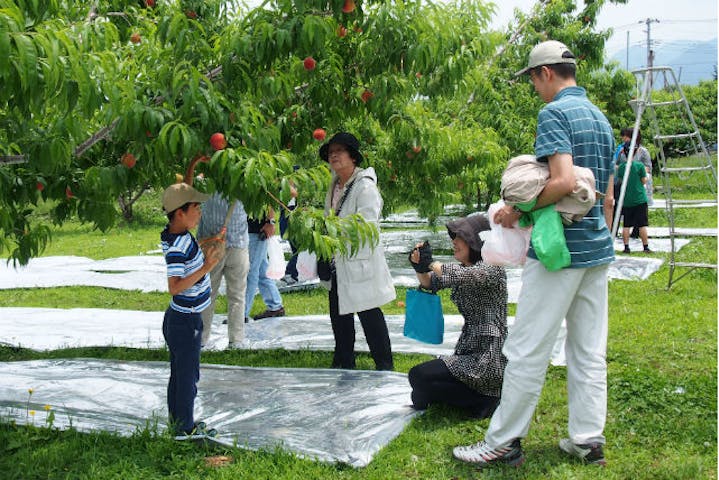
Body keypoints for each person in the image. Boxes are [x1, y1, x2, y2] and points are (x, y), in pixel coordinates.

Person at [453, 40, 615, 467]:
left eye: (533, 80)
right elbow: (607, 194)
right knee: (588, 350)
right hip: (597, 248)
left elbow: (561, 181)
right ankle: (587, 439)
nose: (535, 90)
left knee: (526, 349)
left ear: (545, 73)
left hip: (559, 252)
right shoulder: (600, 118)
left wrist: (517, 209)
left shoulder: (555, 113)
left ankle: (504, 442)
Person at [407, 214, 508, 418]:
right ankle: (480, 398)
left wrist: (431, 263)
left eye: (459, 237)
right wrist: (420, 266)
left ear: (475, 242)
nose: (454, 242)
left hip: (487, 355)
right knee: (420, 391)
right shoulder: (464, 268)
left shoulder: (492, 269)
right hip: (468, 349)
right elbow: (431, 283)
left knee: (418, 377)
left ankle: (484, 398)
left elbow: (457, 275)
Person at [320, 132, 395, 370]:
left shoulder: (364, 187)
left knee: (368, 312)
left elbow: (367, 224)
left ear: (353, 157)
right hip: (337, 261)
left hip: (358, 261)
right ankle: (343, 359)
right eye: (331, 152)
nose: (334, 156)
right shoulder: (334, 185)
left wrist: (337, 230)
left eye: (339, 151)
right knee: (339, 313)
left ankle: (384, 365)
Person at [159, 182, 220, 440]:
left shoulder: (179, 235)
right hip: (185, 322)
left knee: (180, 373)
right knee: (187, 377)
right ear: (181, 213)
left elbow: (188, 256)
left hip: (182, 319)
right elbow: (175, 287)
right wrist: (206, 267)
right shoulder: (177, 246)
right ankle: (184, 429)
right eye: (196, 207)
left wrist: (207, 243)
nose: (200, 212)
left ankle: (178, 422)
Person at [197, 193, 250, 348]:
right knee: (237, 296)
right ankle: (236, 340)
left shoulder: (206, 187)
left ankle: (200, 339)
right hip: (238, 244)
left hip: (212, 247)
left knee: (207, 294)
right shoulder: (243, 184)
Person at [616, 132, 652, 254]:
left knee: (626, 225)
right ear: (636, 152)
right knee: (642, 224)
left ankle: (626, 247)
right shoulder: (639, 166)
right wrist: (646, 177)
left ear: (623, 152)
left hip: (626, 199)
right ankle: (645, 247)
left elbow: (620, 179)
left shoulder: (621, 167)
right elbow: (643, 180)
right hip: (640, 199)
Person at [246, 212, 286, 320]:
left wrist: (270, 222)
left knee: (250, 272)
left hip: (256, 229)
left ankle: (241, 313)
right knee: (261, 270)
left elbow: (271, 197)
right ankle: (275, 306)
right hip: (250, 227)